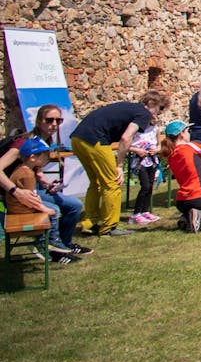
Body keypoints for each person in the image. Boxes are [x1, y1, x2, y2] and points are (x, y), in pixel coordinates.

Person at [68, 90, 171, 236]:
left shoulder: (129, 108)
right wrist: (119, 166)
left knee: (96, 182)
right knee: (113, 184)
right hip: (96, 140)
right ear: (150, 103)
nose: (160, 113)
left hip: (78, 139)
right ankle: (109, 227)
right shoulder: (143, 113)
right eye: (160, 108)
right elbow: (126, 138)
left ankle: (89, 222)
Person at [0, 106, 89, 252]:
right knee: (58, 209)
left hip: (31, 187)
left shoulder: (45, 140)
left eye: (58, 120)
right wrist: (16, 192)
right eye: (49, 120)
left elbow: (36, 168)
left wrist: (46, 183)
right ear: (39, 121)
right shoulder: (22, 143)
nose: (54, 124)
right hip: (16, 192)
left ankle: (65, 245)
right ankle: (50, 246)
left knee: (75, 205)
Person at [127, 118, 161, 225]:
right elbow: (126, 145)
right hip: (140, 161)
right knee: (145, 185)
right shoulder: (135, 130)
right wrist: (137, 150)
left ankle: (145, 210)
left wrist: (156, 150)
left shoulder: (155, 129)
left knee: (150, 185)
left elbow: (159, 145)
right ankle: (136, 213)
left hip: (152, 160)